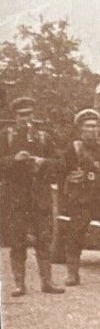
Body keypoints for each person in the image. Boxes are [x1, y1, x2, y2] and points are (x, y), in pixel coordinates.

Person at [0, 93, 64, 297]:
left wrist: (43, 162)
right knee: (18, 241)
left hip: (40, 196)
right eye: (22, 115)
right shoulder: (6, 136)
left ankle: (47, 281)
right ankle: (19, 284)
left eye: (30, 114)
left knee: (44, 238)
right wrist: (15, 159)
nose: (27, 119)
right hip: (17, 197)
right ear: (15, 116)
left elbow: (60, 164)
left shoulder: (44, 137)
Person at [59, 108, 100, 286]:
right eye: (88, 126)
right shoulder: (73, 148)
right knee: (76, 234)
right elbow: (62, 171)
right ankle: (72, 273)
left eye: (95, 126)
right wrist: (69, 178)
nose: (92, 129)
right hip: (81, 198)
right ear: (80, 129)